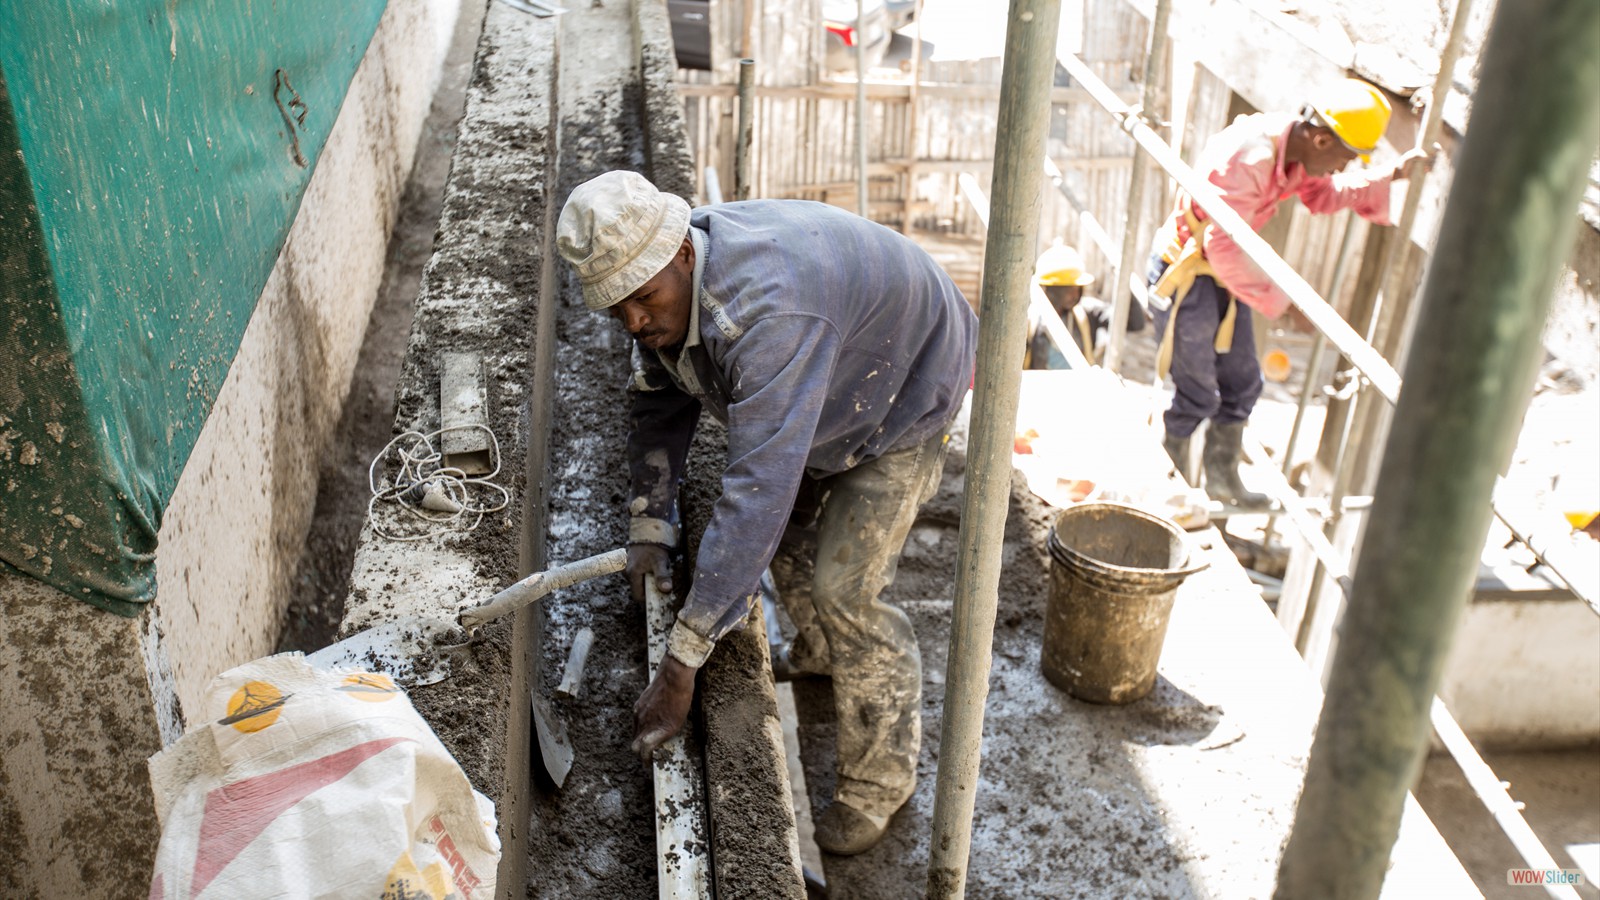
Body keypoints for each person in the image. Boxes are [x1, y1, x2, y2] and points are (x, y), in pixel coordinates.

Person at [555, 171, 977, 855]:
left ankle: (879, 783)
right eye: (615, 309)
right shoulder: (668, 277)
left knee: (847, 590)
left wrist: (683, 660)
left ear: (683, 256)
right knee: (786, 546)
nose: (633, 321)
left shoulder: (767, 317)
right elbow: (661, 400)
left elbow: (758, 491)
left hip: (905, 385)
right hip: (834, 368)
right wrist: (649, 523)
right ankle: (816, 653)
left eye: (641, 299)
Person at [1148, 78, 1431, 507]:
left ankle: (1221, 480)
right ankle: (1168, 489)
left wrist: (1390, 175)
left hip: (1220, 271)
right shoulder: (1251, 159)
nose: (1343, 168)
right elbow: (1222, 248)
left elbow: (1325, 195)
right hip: (1190, 268)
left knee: (1244, 381)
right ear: (1320, 138)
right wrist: (1286, 306)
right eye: (1345, 158)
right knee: (1198, 391)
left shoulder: (1294, 153)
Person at [1025, 243, 1145, 369]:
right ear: (1048, 289)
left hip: (1079, 386)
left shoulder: (1087, 314)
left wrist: (1124, 283)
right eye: (1068, 289)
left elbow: (1135, 323)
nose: (1075, 294)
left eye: (1078, 288)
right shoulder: (1029, 322)